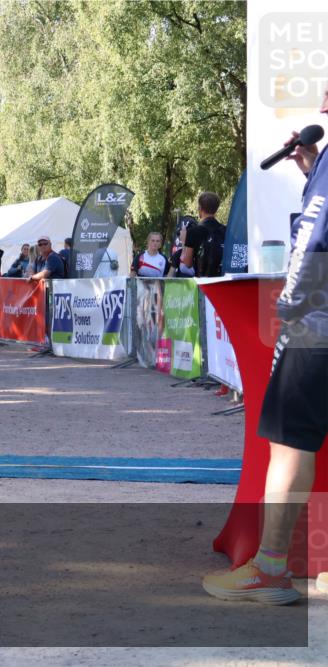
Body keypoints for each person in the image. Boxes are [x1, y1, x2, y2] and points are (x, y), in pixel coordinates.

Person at [202, 91, 328, 605]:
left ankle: (271, 569)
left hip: (318, 317)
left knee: (289, 439)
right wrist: (312, 171)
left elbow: (314, 239)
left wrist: (290, 307)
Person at [182, 192, 226, 278]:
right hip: (221, 281)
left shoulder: (193, 231)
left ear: (200, 208)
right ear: (216, 209)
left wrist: (184, 243)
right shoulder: (225, 230)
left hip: (202, 282)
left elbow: (187, 263)